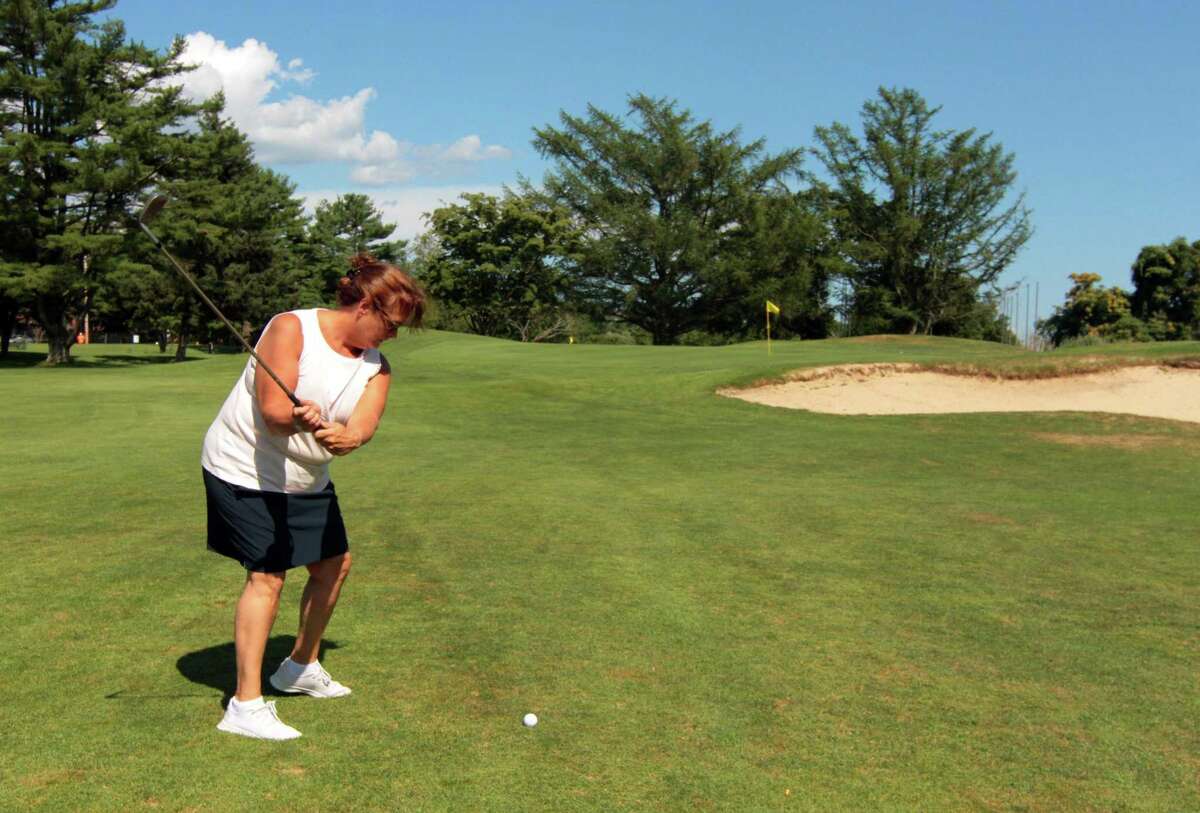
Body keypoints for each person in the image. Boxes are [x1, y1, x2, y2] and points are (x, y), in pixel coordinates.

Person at [201, 253, 425, 740]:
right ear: (364, 306)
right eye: (390, 323)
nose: (392, 335)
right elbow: (272, 414)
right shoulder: (291, 329)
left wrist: (344, 438)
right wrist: (301, 417)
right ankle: (244, 704)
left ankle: (299, 667)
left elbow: (360, 430)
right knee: (268, 576)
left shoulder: (376, 369)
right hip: (245, 468)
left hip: (305, 477)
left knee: (333, 564)